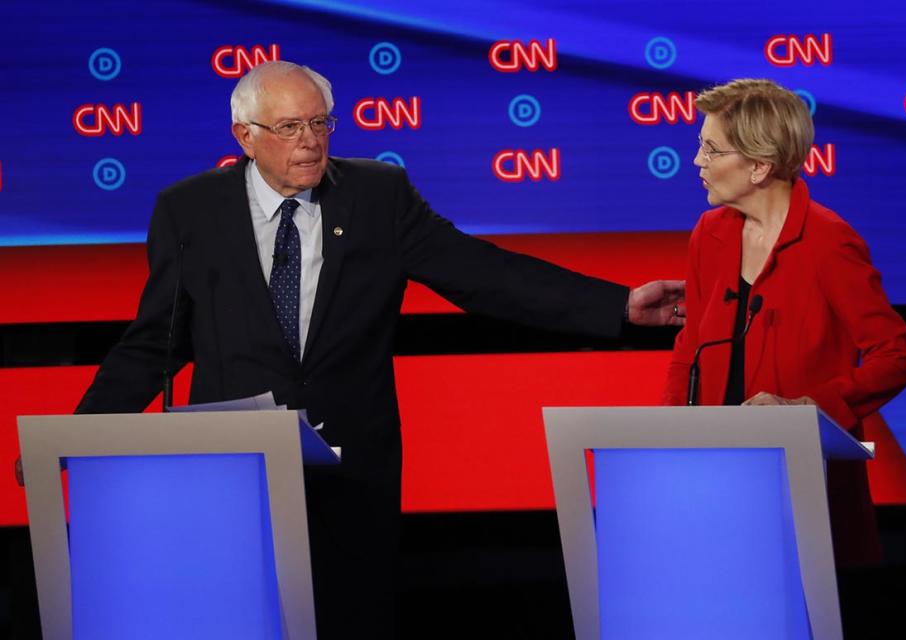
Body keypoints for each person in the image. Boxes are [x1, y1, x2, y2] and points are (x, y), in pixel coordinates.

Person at [70, 61, 684, 637]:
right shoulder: (189, 210)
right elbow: (158, 338)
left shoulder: (377, 196)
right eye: (289, 127)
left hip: (351, 469)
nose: (310, 141)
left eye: (320, 123)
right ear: (245, 135)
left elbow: (483, 274)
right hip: (234, 470)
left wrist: (618, 306)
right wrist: (81, 436)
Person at [662, 78, 906, 567]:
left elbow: (894, 357)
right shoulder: (709, 234)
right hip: (718, 474)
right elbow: (689, 348)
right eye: (699, 146)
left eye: (711, 150)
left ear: (759, 166)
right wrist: (667, 436)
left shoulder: (829, 243)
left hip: (803, 477)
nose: (698, 162)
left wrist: (808, 409)